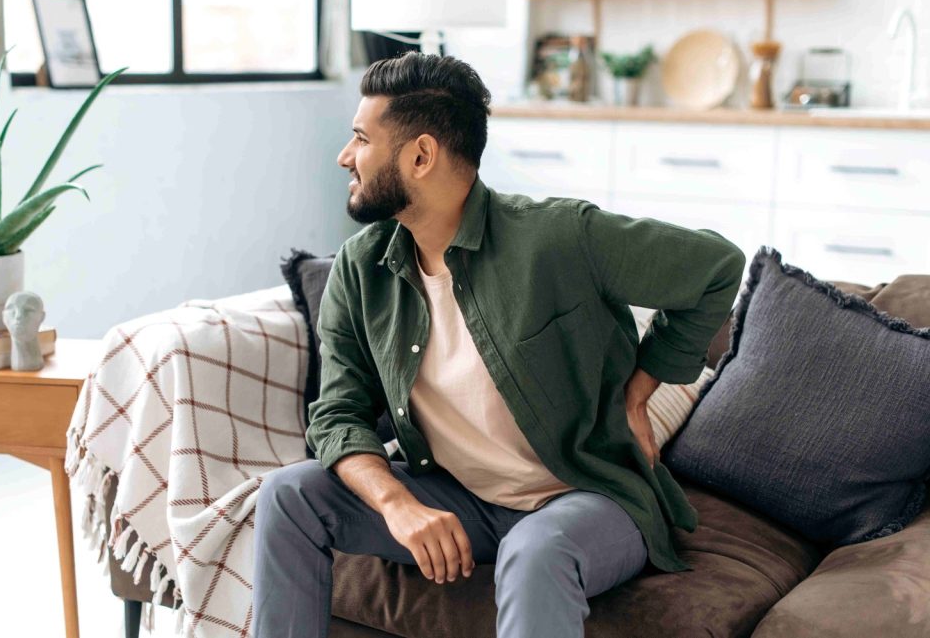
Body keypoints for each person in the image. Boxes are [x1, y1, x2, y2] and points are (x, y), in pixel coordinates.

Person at [252, 52, 747, 638]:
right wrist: (396, 503)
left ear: (421, 156)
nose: (345, 156)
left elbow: (717, 267)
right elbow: (338, 414)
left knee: (536, 551)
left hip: (587, 498)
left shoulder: (558, 236)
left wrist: (639, 392)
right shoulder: (362, 269)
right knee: (288, 493)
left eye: (361, 138)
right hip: (459, 497)